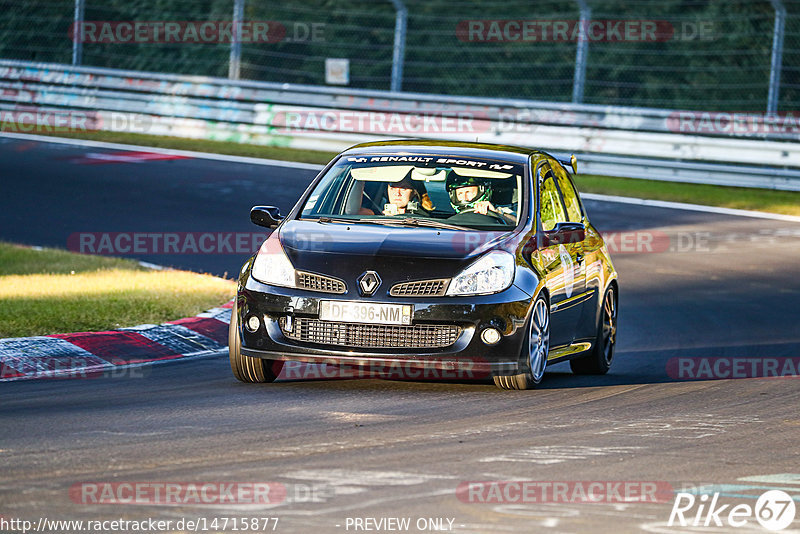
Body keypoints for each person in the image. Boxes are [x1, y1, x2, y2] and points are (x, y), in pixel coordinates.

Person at [445, 175, 515, 223]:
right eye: (460, 194)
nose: (464, 198)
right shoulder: (444, 214)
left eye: (469, 193)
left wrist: (496, 213)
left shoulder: (499, 210)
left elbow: (517, 222)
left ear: (482, 191)